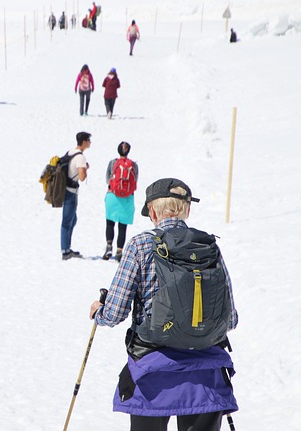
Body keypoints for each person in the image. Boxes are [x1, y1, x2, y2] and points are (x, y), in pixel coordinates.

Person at [90, 178, 238, 431]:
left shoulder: (140, 245)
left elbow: (115, 313)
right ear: (187, 210)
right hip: (206, 376)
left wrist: (98, 312)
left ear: (154, 212)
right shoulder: (209, 246)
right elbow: (231, 319)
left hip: (153, 373)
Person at [103, 142, 137, 260]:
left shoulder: (113, 163)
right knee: (123, 226)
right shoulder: (133, 165)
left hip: (112, 196)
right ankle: (119, 251)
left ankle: (108, 246)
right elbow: (135, 180)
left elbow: (108, 179)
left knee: (110, 223)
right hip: (127, 198)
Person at [61, 132, 91, 260]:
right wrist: (85, 168)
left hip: (66, 189)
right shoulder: (80, 157)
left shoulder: (70, 152)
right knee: (68, 221)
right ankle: (65, 250)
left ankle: (67, 247)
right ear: (83, 142)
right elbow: (82, 177)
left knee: (72, 219)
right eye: (89, 140)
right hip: (71, 192)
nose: (90, 142)